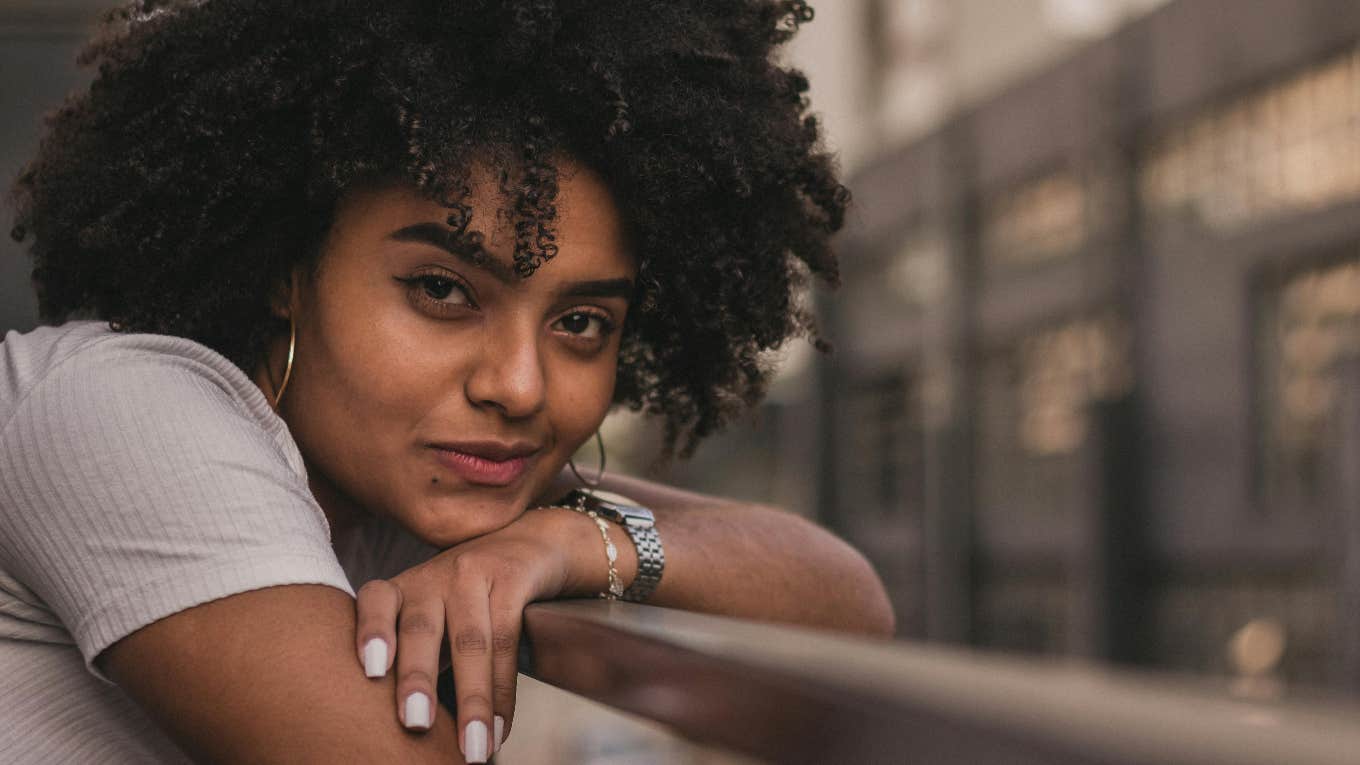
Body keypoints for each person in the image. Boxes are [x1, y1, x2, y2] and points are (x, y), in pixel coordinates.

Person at [0, 0, 893, 762]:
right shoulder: (121, 411)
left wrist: (570, 546)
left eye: (581, 322)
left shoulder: (405, 482)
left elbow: (846, 600)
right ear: (289, 269)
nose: (520, 385)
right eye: (441, 290)